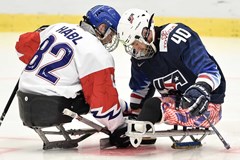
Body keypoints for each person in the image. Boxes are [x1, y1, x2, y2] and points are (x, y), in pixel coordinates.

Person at [15, 5, 129, 148]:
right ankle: (125, 107)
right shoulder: (97, 53)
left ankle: (126, 106)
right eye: (111, 34)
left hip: (24, 102)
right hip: (53, 107)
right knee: (93, 91)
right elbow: (102, 103)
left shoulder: (57, 27)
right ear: (101, 28)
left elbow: (21, 48)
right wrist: (118, 128)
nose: (110, 39)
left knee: (78, 80)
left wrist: (40, 33)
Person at [117, 8, 226, 132]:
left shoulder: (176, 38)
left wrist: (201, 89)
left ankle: (138, 132)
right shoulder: (139, 59)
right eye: (132, 45)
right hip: (175, 102)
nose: (137, 49)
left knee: (152, 106)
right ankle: (141, 133)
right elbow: (141, 89)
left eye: (137, 42)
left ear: (146, 32)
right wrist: (135, 115)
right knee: (149, 107)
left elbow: (210, 70)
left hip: (205, 104)